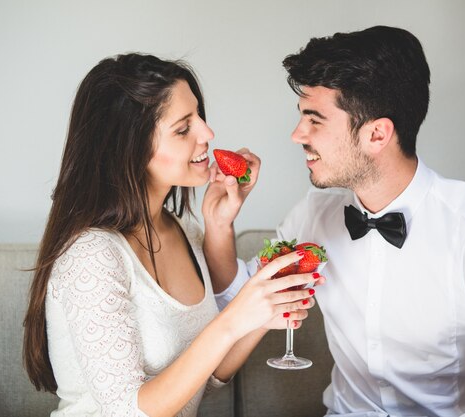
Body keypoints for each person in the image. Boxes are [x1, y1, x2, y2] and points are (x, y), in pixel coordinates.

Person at [207, 26, 465, 416]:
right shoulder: (312, 215)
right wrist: (221, 225)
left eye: (314, 120)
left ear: (377, 134)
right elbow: (237, 307)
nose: (296, 135)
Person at [22, 53, 322, 417]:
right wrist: (233, 319)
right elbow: (127, 412)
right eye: (183, 129)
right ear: (129, 149)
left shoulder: (183, 231)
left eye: (199, 116)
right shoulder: (92, 254)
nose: (208, 134)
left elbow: (205, 381)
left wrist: (261, 316)